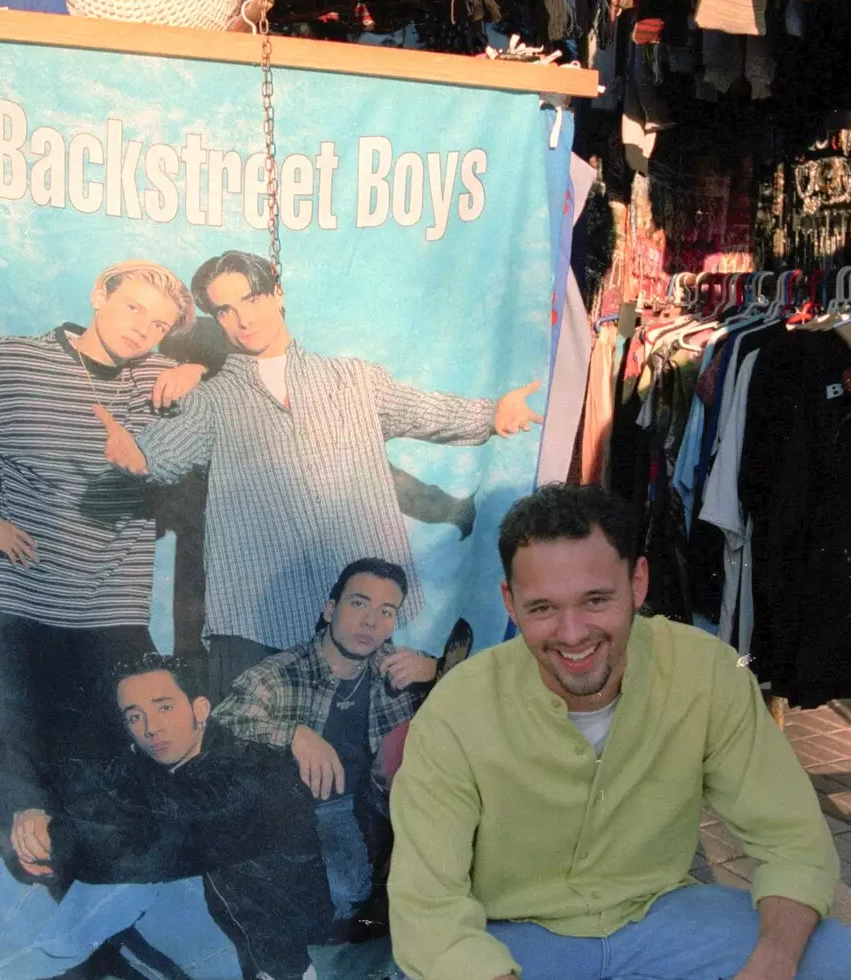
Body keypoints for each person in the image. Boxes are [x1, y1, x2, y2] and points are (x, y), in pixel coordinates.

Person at [367, 483, 851, 980]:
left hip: (655, 918)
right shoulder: (456, 710)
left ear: (637, 581)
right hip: (514, 939)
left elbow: (790, 840)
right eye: (542, 608)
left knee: (834, 965)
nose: (572, 634)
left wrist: (767, 974)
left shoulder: (707, 672)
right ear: (510, 604)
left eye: (595, 601)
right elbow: (426, 919)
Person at [97, 249, 544, 701]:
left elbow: (421, 410)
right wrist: (139, 457)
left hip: (358, 613)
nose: (242, 320)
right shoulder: (211, 400)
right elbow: (165, 453)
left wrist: (490, 414)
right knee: (258, 756)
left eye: (250, 300)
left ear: (277, 294)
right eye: (225, 311)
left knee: (359, 754)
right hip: (257, 620)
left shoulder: (352, 379)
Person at [0, 261, 196, 848]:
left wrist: (196, 369)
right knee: (29, 797)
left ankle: (107, 916)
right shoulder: (13, 362)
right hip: (21, 610)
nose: (142, 329)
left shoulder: (165, 381)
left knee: (124, 788)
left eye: (160, 324)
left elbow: (237, 406)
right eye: (133, 308)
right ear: (100, 295)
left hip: (114, 615)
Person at [0, 653, 343, 980]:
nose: (151, 728)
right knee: (61, 834)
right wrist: (35, 813)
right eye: (134, 716)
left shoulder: (253, 773)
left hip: (260, 966)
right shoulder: (150, 768)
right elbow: (77, 789)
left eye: (165, 707)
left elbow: (159, 841)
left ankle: (8, 978)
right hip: (183, 945)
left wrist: (60, 837)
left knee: (130, 860)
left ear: (200, 709)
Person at [212, 558, 437, 921]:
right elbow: (224, 721)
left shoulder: (397, 665)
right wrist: (293, 734)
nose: (370, 622)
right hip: (323, 812)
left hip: (387, 803)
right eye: (359, 603)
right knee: (345, 896)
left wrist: (439, 669)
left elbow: (485, 688)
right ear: (330, 609)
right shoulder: (284, 672)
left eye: (386, 611)